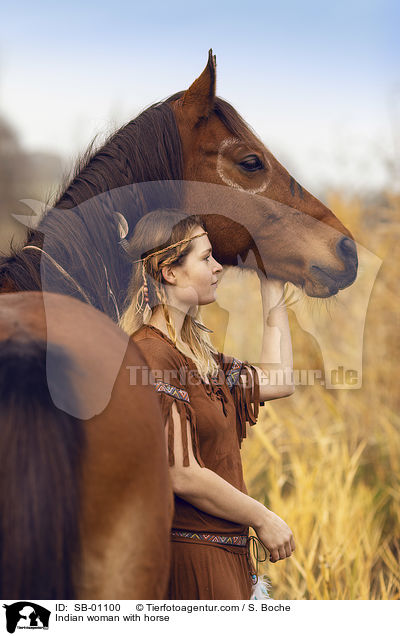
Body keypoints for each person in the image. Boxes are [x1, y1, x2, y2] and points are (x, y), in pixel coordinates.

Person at [119, 208, 295, 600]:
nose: (218, 268)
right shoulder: (151, 354)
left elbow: (281, 379)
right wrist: (262, 517)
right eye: (206, 257)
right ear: (170, 272)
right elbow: (182, 473)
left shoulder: (201, 359)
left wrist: (271, 283)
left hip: (227, 558)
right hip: (193, 562)